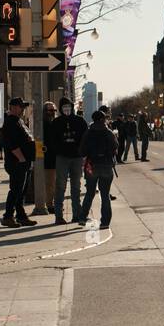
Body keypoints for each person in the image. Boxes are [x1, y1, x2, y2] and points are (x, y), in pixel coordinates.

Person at [0, 97, 38, 228]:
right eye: (21, 107)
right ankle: (8, 216)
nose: (23, 109)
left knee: (21, 191)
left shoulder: (18, 121)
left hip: (24, 161)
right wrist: (21, 158)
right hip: (17, 162)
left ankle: (21, 216)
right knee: (15, 190)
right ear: (14, 107)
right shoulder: (10, 122)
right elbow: (11, 143)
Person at [52, 97, 87, 225]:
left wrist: (83, 153)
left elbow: (85, 138)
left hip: (76, 157)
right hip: (62, 157)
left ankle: (77, 214)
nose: (66, 109)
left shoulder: (80, 121)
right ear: (60, 108)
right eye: (64, 106)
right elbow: (52, 140)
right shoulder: (56, 122)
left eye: (68, 106)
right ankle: (58, 216)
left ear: (72, 107)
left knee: (76, 187)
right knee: (60, 186)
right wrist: (59, 150)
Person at [80, 109, 118, 229]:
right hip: (106, 165)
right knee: (105, 194)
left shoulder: (88, 132)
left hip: (91, 166)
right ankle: (105, 222)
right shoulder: (109, 132)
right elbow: (116, 147)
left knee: (90, 193)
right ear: (103, 119)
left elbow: (81, 150)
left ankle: (82, 217)